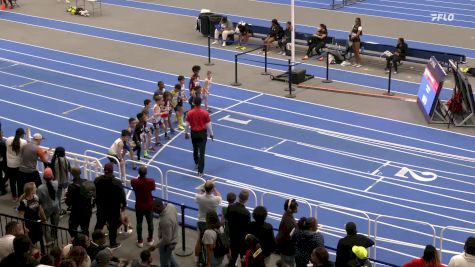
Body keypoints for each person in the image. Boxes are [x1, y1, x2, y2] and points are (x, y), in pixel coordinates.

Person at [94, 163, 126, 249]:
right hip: (113, 208)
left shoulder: (97, 180)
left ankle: (95, 240)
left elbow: (95, 193)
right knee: (112, 226)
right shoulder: (117, 183)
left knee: (99, 224)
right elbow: (122, 196)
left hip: (101, 207)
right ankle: (112, 243)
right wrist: (124, 205)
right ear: (112, 171)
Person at [185, 97, 214, 177]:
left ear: (193, 103)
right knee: (201, 153)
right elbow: (208, 125)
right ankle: (200, 171)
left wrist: (186, 133)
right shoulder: (205, 113)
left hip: (193, 133)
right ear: (201, 103)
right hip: (202, 134)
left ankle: (197, 163)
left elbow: (187, 124)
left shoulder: (189, 113)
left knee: (195, 149)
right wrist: (211, 134)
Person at [194, 180, 222, 265]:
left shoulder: (199, 198)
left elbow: (199, 194)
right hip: (212, 223)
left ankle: (196, 259)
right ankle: (209, 263)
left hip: (201, 222)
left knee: (199, 240)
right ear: (212, 189)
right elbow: (219, 195)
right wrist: (214, 189)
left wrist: (203, 190)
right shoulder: (216, 199)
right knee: (210, 245)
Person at [66, 167, 94, 237]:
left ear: (72, 174)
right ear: (80, 173)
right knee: (85, 229)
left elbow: (69, 202)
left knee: (72, 228)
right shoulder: (87, 182)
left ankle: (76, 241)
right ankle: (86, 242)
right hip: (87, 210)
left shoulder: (71, 187)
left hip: (76, 211)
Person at [131, 166, 155, 248]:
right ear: (146, 173)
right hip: (148, 206)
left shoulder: (134, 182)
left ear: (139, 173)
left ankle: (140, 240)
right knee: (150, 223)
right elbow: (153, 188)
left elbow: (133, 183)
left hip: (139, 206)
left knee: (139, 223)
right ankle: (150, 239)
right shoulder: (151, 181)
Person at [226, 189, 251, 267]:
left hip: (232, 236)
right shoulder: (247, 213)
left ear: (238, 197)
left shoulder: (231, 207)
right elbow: (247, 227)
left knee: (233, 257)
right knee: (243, 258)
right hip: (242, 239)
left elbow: (227, 218)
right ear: (246, 199)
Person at [151, 199, 179, 267]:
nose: (153, 211)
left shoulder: (165, 220)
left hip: (167, 245)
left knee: (164, 262)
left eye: (154, 209)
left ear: (158, 207)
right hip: (174, 237)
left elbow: (166, 240)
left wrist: (155, 246)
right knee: (169, 256)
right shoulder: (171, 206)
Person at [37, 167, 60, 246]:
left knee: (45, 224)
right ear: (52, 176)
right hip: (56, 206)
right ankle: (54, 236)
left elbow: (39, 200)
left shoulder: (40, 188)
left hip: (46, 208)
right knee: (55, 223)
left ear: (43, 177)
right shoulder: (56, 183)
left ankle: (48, 240)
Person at [18, 182, 46, 248]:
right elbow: (21, 215)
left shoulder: (36, 197)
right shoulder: (24, 202)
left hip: (37, 221)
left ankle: (43, 252)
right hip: (29, 224)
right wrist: (23, 227)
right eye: (35, 187)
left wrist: (44, 219)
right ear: (31, 190)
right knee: (32, 240)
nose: (36, 188)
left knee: (40, 236)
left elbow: (40, 209)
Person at [5, 128, 27, 200]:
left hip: (9, 164)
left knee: (12, 181)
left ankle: (14, 196)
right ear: (22, 135)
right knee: (20, 181)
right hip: (18, 165)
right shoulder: (23, 142)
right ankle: (20, 196)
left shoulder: (8, 139)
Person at [276, 199, 299, 267]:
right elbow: (293, 237)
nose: (297, 207)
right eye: (296, 206)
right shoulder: (291, 223)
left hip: (283, 248)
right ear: (291, 209)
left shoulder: (286, 215)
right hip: (287, 251)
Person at [50, 146, 71, 215]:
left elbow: (52, 171)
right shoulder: (66, 160)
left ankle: (58, 210)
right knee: (67, 194)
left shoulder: (54, 160)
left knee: (57, 197)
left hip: (57, 182)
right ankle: (68, 207)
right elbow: (69, 169)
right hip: (65, 181)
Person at [0, 129, 7, 196]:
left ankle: (2, 185)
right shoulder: (3, 143)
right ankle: (2, 188)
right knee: (8, 174)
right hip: (3, 162)